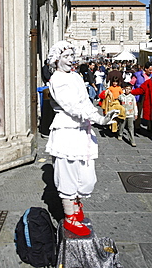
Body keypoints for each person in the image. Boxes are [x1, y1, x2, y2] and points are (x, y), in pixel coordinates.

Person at [45, 41, 118, 236]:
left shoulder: (76, 77)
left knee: (86, 175)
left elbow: (85, 103)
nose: (71, 60)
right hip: (66, 129)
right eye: (66, 57)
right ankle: (70, 216)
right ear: (56, 59)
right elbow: (71, 107)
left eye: (72, 56)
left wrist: (101, 118)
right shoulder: (57, 79)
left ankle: (77, 206)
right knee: (68, 170)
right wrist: (96, 118)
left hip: (82, 130)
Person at [132, 62, 152, 132]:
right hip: (139, 95)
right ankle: (137, 125)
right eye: (149, 70)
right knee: (138, 111)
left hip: (149, 96)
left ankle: (150, 127)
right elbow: (132, 84)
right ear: (145, 69)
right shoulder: (137, 75)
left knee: (149, 111)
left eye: (151, 70)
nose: (151, 71)